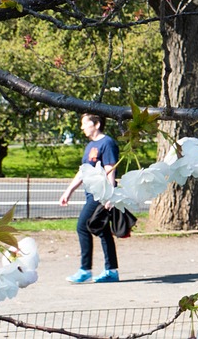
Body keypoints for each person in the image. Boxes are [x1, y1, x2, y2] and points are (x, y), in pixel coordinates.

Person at [58, 113, 120, 284]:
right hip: (90, 194)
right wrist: (68, 191)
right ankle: (111, 271)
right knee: (102, 230)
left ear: (97, 124)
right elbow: (82, 171)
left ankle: (85, 270)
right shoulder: (90, 146)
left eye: (85, 123)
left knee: (83, 227)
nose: (82, 127)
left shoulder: (107, 143)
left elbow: (110, 169)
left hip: (100, 195)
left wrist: (110, 195)